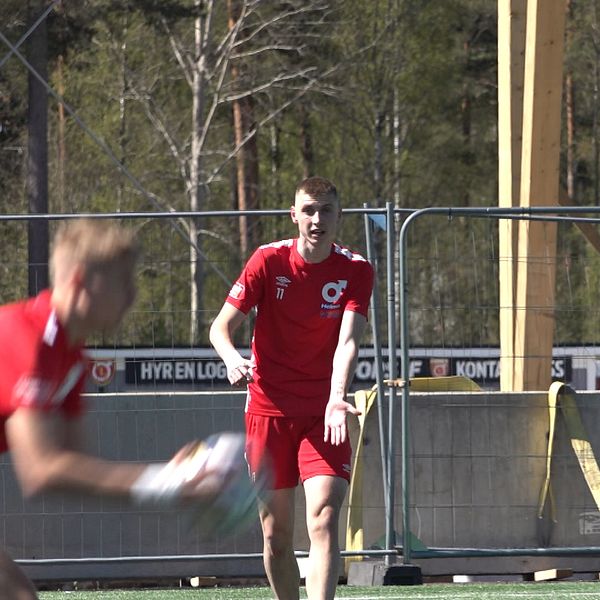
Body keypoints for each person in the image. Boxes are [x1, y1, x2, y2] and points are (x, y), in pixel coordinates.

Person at [0, 219, 217, 600]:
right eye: (123, 282)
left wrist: (172, 478)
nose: (133, 296)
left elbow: (75, 466)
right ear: (81, 281)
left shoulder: (71, 357)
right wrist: (165, 482)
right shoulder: (25, 337)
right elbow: (40, 470)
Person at [209, 176, 374, 600]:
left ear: (339, 215)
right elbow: (220, 328)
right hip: (268, 411)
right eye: (309, 211)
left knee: (324, 519)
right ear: (294, 215)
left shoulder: (356, 270)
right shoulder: (267, 261)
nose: (317, 220)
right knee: (276, 537)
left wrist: (337, 397)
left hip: (324, 413)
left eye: (326, 210)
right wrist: (232, 359)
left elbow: (348, 342)